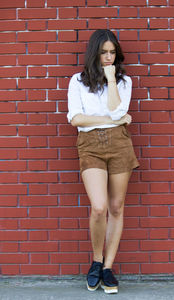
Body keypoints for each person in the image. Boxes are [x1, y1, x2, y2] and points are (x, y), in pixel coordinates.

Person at [67, 29, 139, 294]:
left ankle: (108, 268)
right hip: (90, 145)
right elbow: (76, 119)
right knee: (99, 207)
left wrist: (111, 80)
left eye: (112, 53)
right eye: (103, 52)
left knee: (116, 206)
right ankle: (96, 261)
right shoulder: (77, 81)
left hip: (119, 143)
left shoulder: (123, 82)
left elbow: (118, 109)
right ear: (94, 53)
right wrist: (115, 119)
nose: (108, 57)